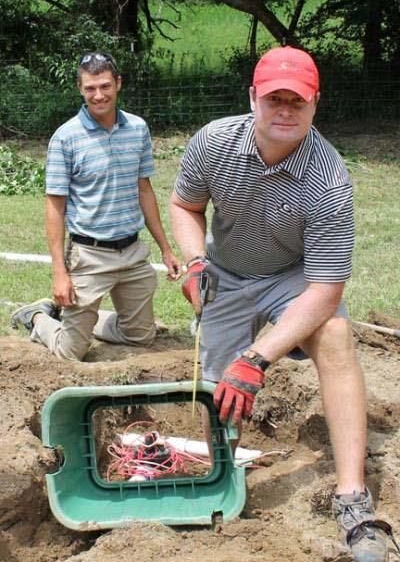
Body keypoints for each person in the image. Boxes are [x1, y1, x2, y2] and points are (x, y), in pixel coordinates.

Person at [170, 46, 397, 560]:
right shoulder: (213, 143)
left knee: (335, 335)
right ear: (254, 97)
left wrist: (257, 358)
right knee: (215, 385)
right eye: (275, 98)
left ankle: (352, 498)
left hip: (293, 279)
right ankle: (219, 472)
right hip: (224, 271)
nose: (285, 110)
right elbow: (185, 205)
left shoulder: (329, 179)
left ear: (316, 105)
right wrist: (193, 262)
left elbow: (325, 291)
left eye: (298, 100)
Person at [12, 51, 181, 361]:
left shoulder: (138, 129)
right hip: (89, 255)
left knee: (140, 337)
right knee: (71, 351)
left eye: (105, 86)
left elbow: (144, 190)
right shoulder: (66, 138)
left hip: (132, 253)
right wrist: (59, 274)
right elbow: (54, 207)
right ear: (80, 88)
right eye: (90, 88)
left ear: (118, 83)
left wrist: (166, 249)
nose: (98, 95)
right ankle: (37, 317)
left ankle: (87, 320)